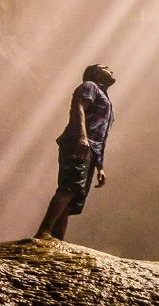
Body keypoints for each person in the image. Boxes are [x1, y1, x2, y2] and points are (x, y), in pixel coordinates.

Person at [35, 64, 116, 240]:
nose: (110, 70)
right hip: (78, 143)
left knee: (74, 198)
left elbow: (103, 135)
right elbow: (78, 106)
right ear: (95, 73)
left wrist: (100, 166)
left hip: (91, 150)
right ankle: (43, 232)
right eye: (105, 68)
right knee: (69, 187)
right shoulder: (90, 86)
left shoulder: (107, 102)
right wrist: (82, 137)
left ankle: (56, 239)